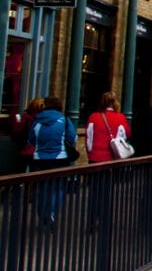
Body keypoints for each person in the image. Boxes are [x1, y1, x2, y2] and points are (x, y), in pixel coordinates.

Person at [28, 95, 79, 227]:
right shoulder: (64, 120)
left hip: (39, 158)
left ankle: (42, 213)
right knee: (58, 188)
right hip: (59, 158)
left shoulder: (37, 120)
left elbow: (31, 140)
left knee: (40, 188)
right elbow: (72, 138)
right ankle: (51, 212)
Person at [85, 91, 131, 163]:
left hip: (95, 158)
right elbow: (126, 136)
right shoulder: (121, 118)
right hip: (112, 158)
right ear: (115, 102)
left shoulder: (93, 117)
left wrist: (90, 153)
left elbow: (89, 138)